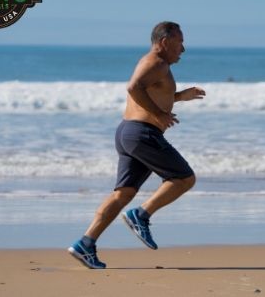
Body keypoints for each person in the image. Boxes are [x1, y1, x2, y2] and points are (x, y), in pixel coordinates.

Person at [68, 21, 206, 269]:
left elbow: (152, 94)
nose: (183, 49)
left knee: (123, 193)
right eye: (180, 42)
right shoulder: (157, 62)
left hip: (128, 132)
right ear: (164, 42)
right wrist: (159, 115)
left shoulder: (155, 64)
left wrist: (179, 97)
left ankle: (85, 243)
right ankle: (141, 215)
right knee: (184, 178)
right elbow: (133, 88)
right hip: (143, 133)